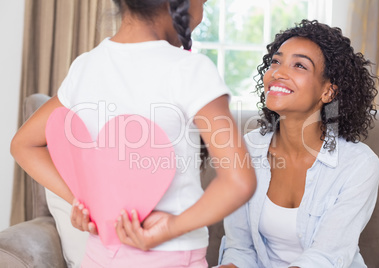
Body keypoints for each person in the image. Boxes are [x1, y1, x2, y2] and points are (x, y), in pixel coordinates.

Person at [10, 0, 257, 267]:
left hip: (98, 255)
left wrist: (84, 201)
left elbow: (23, 145)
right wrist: (171, 227)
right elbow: (238, 180)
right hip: (171, 256)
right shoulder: (190, 69)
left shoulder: (85, 66)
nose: (203, 10)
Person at [218, 20, 379, 268]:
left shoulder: (358, 165)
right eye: (276, 61)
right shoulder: (245, 151)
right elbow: (240, 249)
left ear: (328, 92)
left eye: (299, 65)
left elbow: (324, 258)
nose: (278, 73)